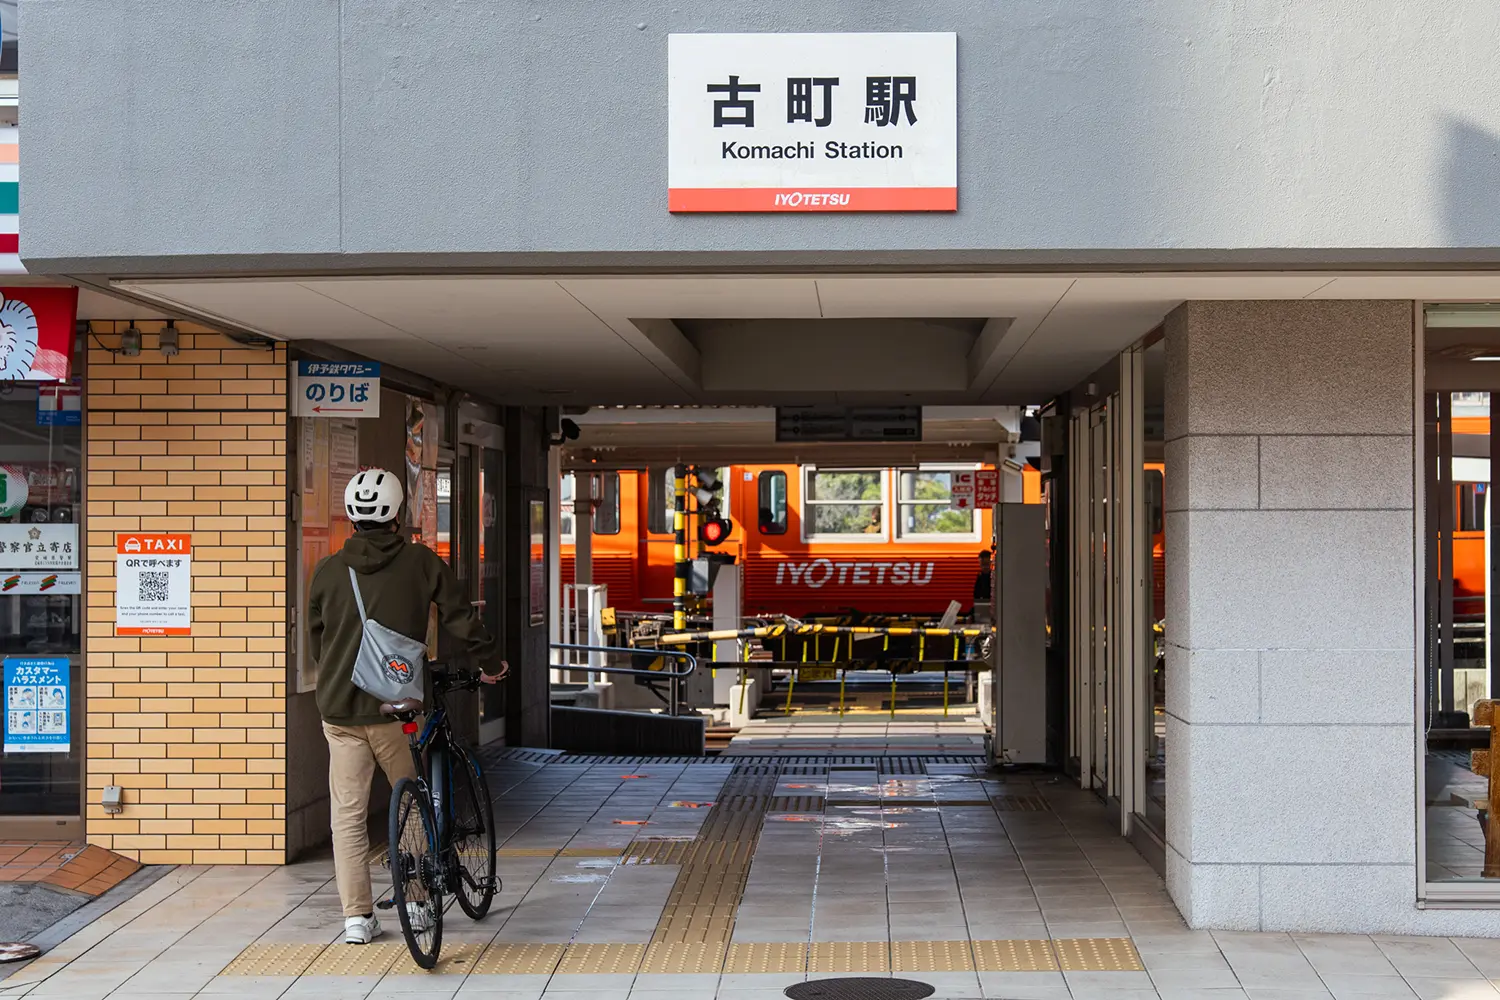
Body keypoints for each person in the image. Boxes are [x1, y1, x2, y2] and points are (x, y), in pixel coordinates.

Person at [307, 468, 507, 945]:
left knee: (348, 816)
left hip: (341, 711)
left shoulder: (328, 571)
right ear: (398, 514)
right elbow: (460, 616)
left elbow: (317, 641)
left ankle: (357, 918)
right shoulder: (420, 562)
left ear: (351, 517)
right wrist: (489, 662)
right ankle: (417, 903)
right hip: (398, 709)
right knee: (411, 806)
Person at [973, 549, 993, 623]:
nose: (984, 567)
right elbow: (976, 596)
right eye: (982, 565)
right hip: (982, 610)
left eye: (986, 564)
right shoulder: (980, 576)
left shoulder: (994, 577)